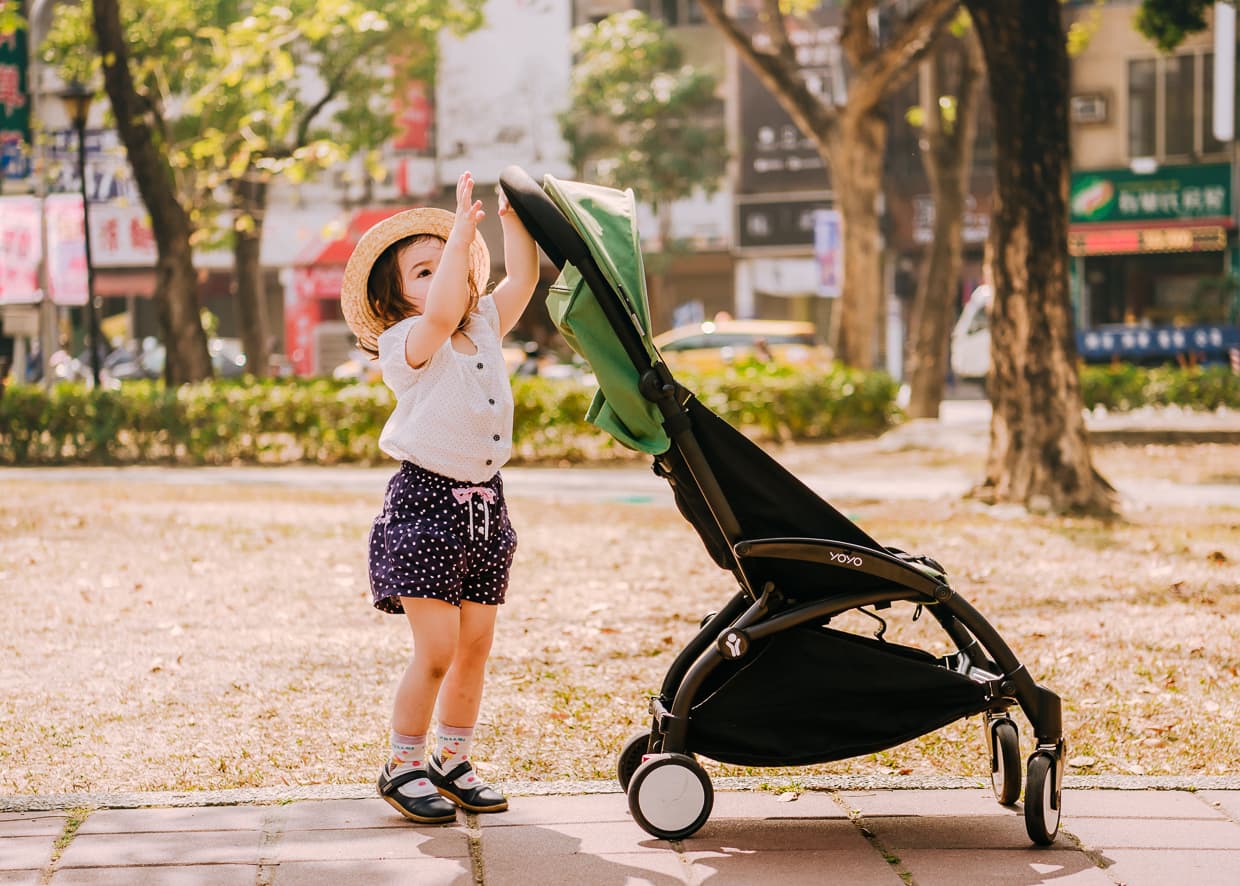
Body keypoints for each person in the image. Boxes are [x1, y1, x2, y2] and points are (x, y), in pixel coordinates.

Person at [340, 171, 540, 824]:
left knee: (476, 644)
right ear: (396, 299)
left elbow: (523, 283)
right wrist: (458, 231)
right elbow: (443, 310)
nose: (440, 277)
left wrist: (515, 219)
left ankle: (452, 759)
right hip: (425, 506)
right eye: (421, 272)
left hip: (487, 504)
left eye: (443, 265)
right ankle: (402, 764)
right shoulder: (407, 343)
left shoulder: (481, 323)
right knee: (437, 651)